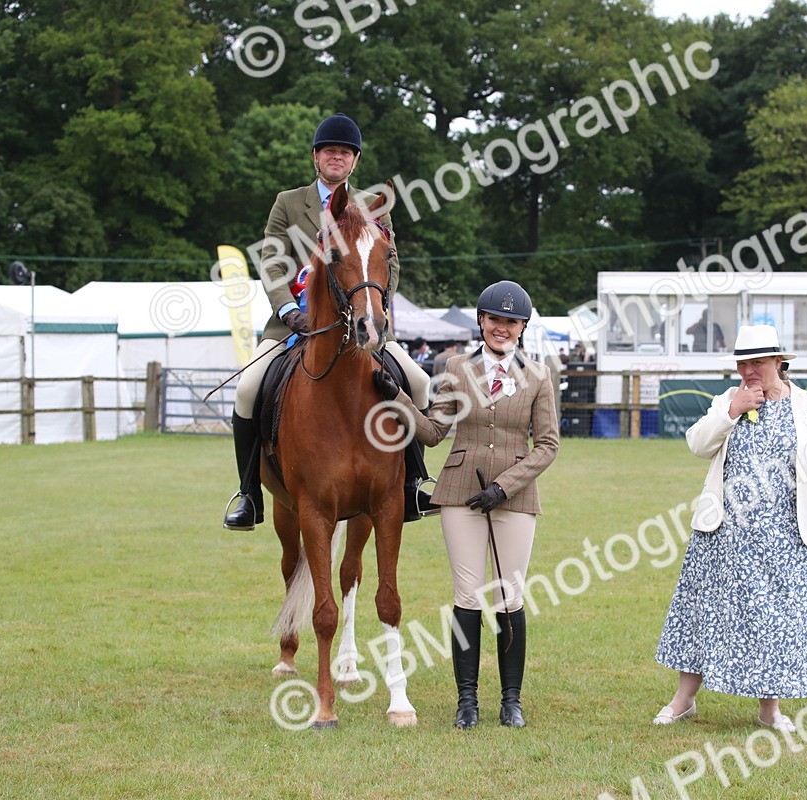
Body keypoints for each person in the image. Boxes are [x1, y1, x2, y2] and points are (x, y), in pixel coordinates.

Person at [222, 112, 430, 531]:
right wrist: (288, 310)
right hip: (294, 325)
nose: (337, 157)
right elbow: (272, 262)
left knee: (420, 382)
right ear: (316, 157)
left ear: (355, 160)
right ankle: (249, 494)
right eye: (330, 151)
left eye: (345, 152)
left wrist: (373, 310)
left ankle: (412, 483)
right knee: (247, 389)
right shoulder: (288, 202)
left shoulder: (373, 206)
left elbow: (389, 264)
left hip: (362, 323)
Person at [374, 280, 560, 730]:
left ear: (522, 327)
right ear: (481, 320)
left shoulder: (539, 376)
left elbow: (548, 444)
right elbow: (434, 431)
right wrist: (397, 398)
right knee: (467, 595)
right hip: (460, 491)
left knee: (509, 595)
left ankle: (511, 701)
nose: (502, 328)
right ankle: (467, 701)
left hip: (514, 497)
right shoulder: (456, 367)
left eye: (511, 322)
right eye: (495, 319)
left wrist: (505, 486)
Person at [652, 324, 807, 732]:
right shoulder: (727, 399)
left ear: (778, 361)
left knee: (777, 620)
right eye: (742, 363)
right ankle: (683, 700)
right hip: (725, 533)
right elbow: (698, 444)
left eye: (756, 362)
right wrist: (733, 410)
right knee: (703, 612)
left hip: (786, 535)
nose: (748, 370)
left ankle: (769, 709)